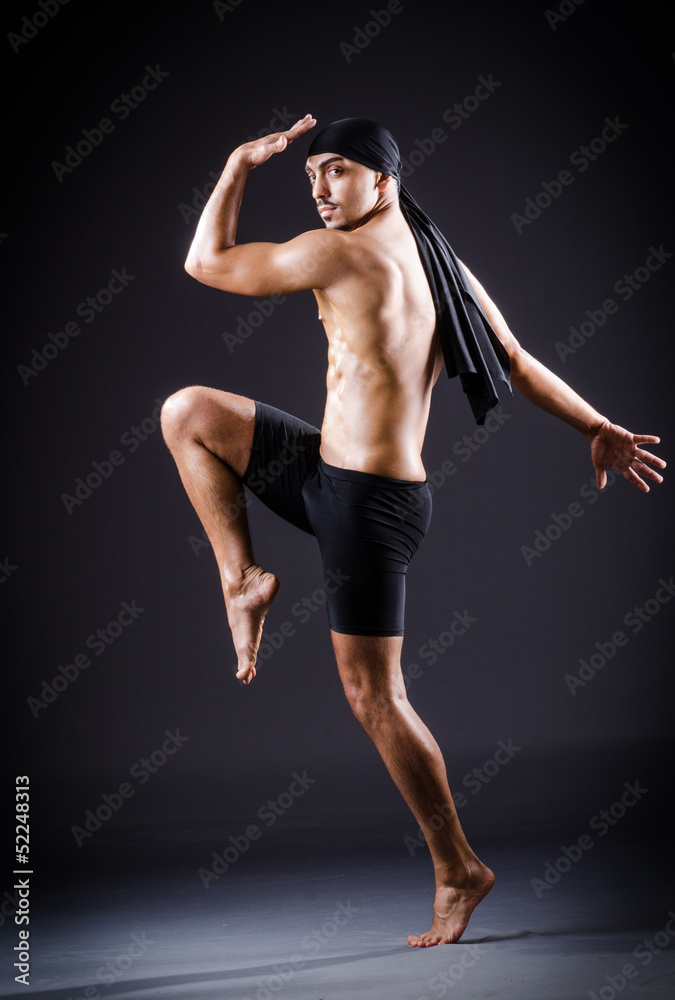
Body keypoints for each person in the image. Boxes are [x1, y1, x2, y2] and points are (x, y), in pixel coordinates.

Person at [160, 114, 665, 947]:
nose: (319, 189)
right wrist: (595, 426)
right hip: (327, 470)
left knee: (375, 696)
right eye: (310, 174)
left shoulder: (344, 254)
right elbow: (516, 358)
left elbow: (203, 262)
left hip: (369, 505)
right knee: (189, 413)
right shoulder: (441, 257)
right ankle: (240, 579)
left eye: (335, 172)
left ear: (382, 182)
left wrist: (234, 163)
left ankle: (458, 867)